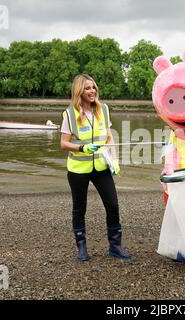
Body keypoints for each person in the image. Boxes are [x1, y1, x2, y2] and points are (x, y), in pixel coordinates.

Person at [60, 74, 130, 261]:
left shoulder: (103, 109)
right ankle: (82, 248)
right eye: (87, 88)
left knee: (113, 205)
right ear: (79, 91)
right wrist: (82, 147)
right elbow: (64, 143)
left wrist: (115, 161)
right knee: (79, 208)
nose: (92, 91)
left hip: (101, 167)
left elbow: (109, 138)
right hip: (78, 169)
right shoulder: (69, 114)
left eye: (93, 87)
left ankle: (115, 247)